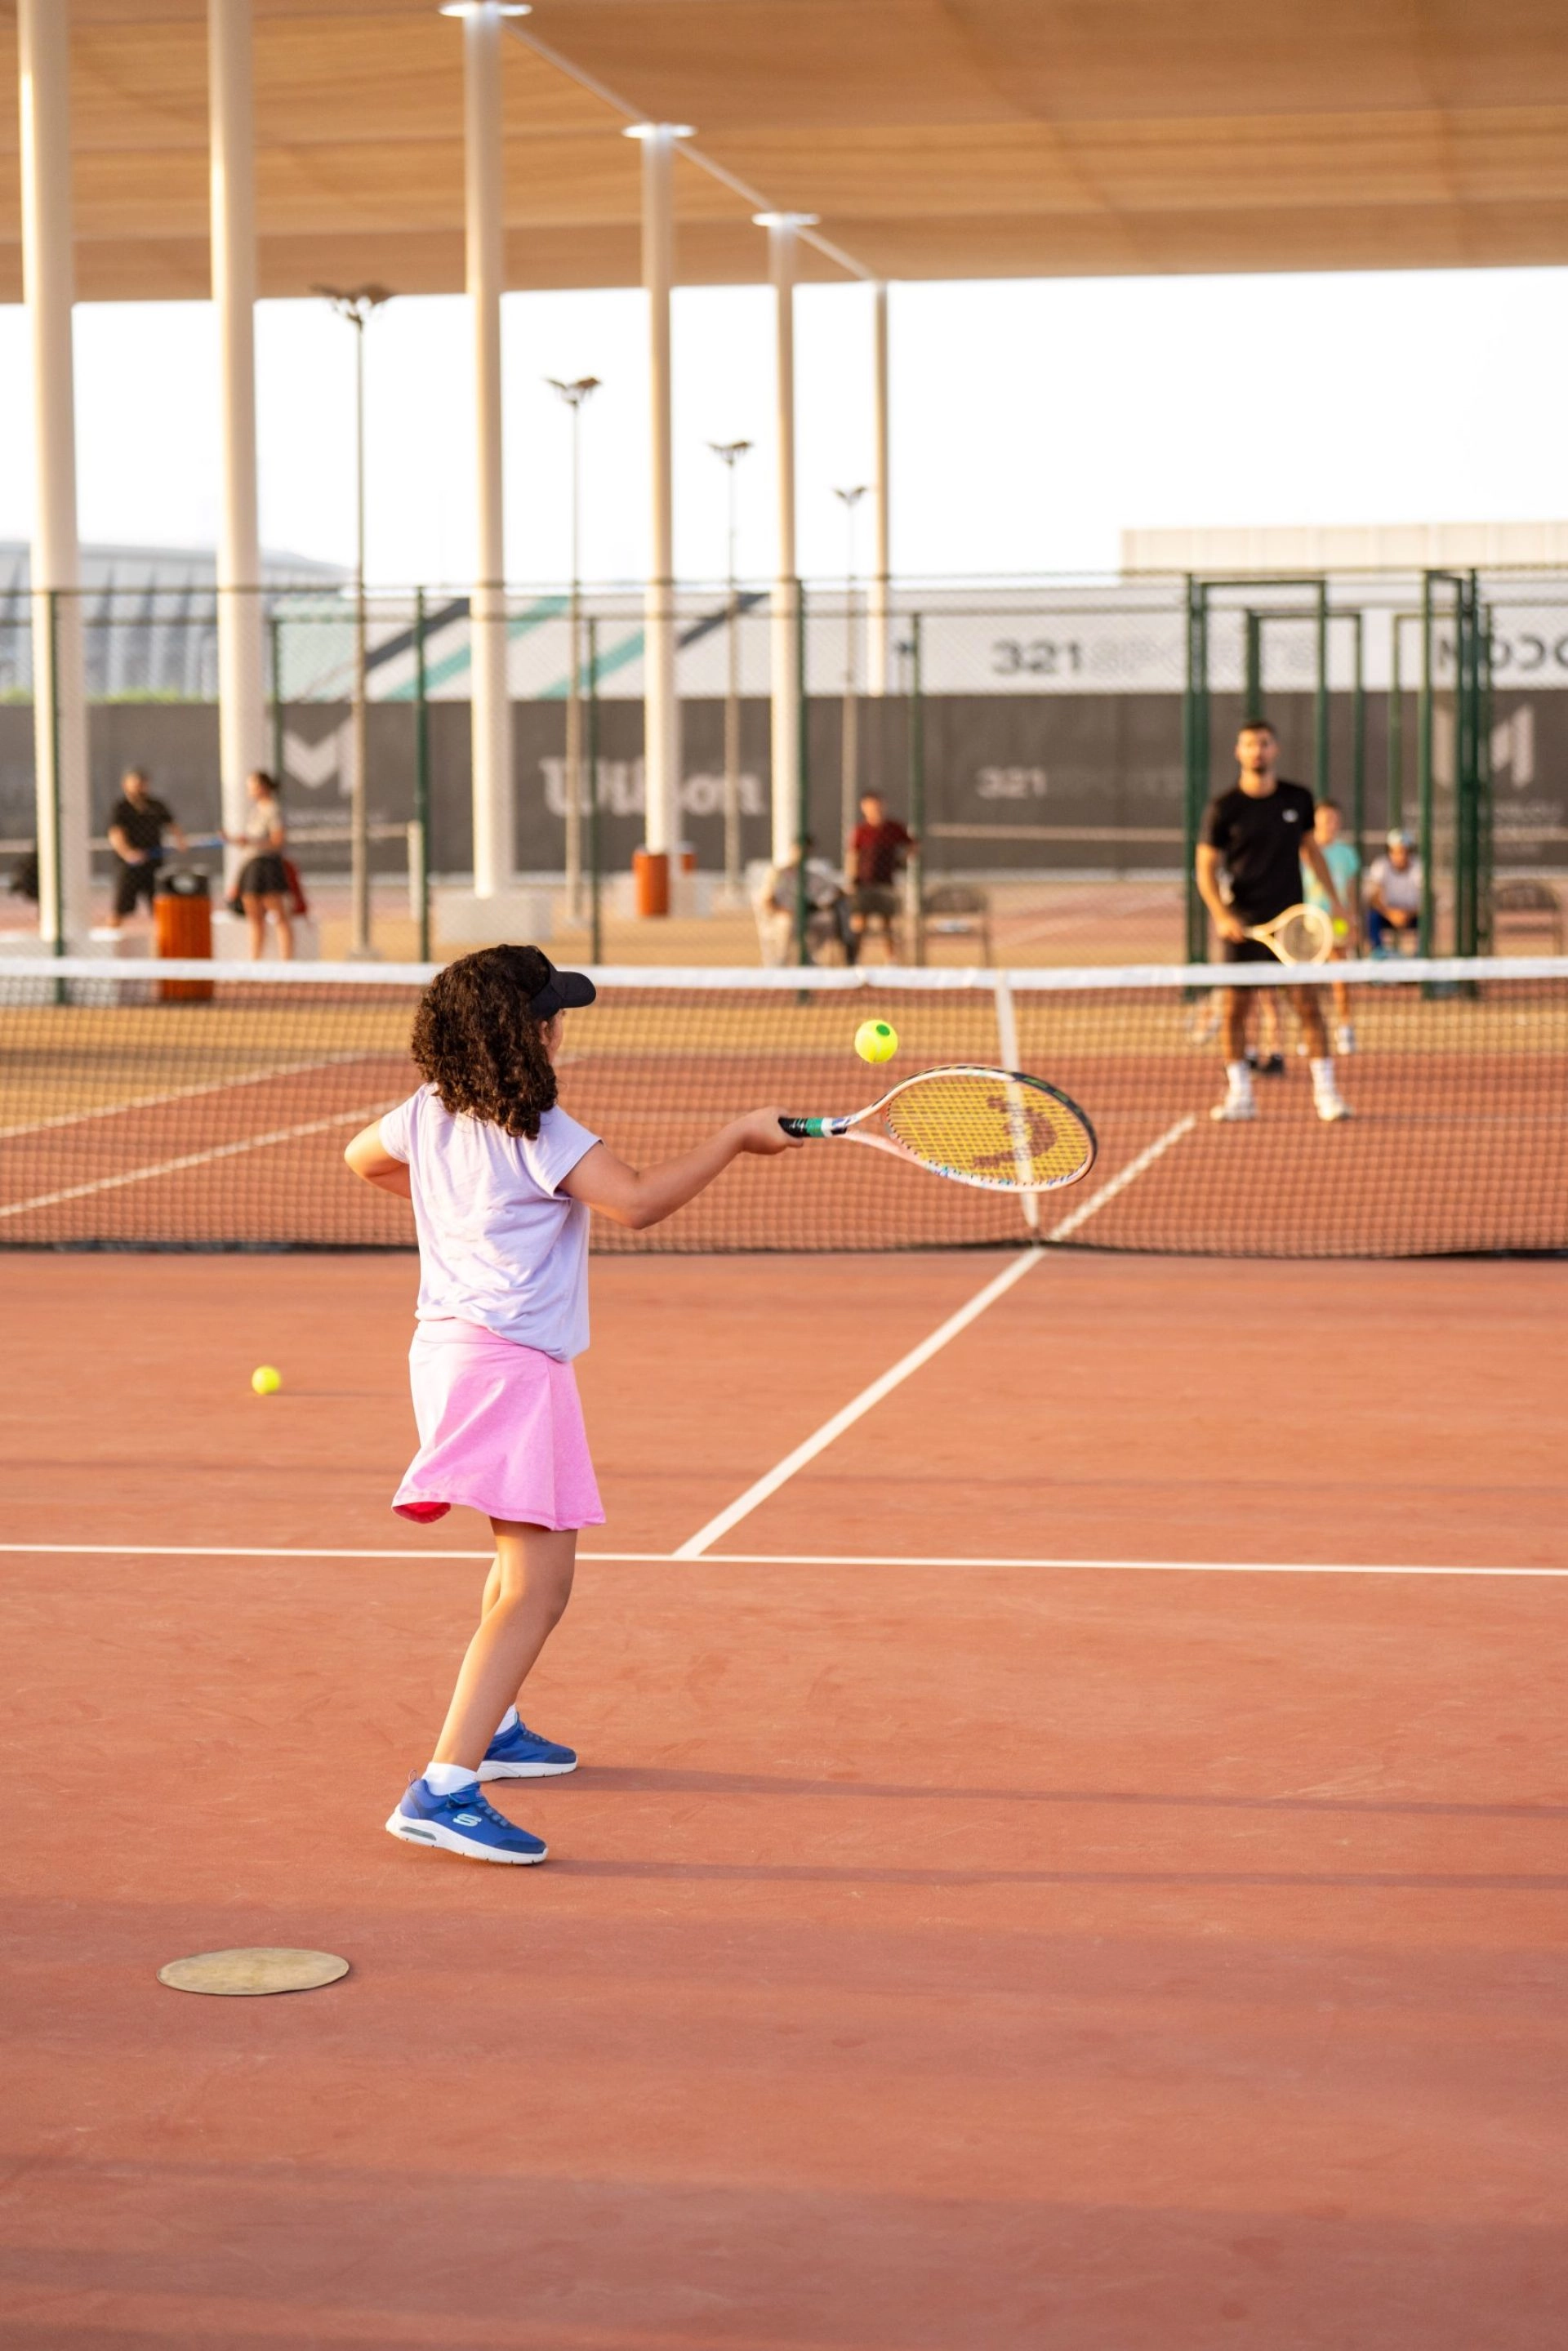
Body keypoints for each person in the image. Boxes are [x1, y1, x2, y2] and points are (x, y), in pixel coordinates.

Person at [344, 944, 801, 1865]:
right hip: (510, 1368)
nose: (562, 1028)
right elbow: (634, 1202)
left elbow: (361, 1159)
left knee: (515, 1566)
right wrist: (735, 1138)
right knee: (541, 1589)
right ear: (529, 1033)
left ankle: (497, 1723)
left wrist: (456, 1203)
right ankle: (443, 1785)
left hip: (447, 1354)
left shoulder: (430, 1109)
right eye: (553, 1014)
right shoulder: (539, 1126)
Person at [1195, 719, 1352, 1124]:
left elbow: (1311, 853)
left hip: (1292, 923)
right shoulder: (1224, 808)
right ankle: (1241, 1095)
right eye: (1249, 745)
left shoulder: (1298, 799)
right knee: (1234, 1012)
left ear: (1275, 750)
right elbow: (1205, 869)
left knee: (1307, 1007)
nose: (1257, 752)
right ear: (1238, 752)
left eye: (1263, 744)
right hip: (1243, 925)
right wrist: (1222, 914)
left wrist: (1336, 903)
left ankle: (1327, 1094)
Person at [1303, 798, 1361, 1053]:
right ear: (1315, 821)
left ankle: (1345, 1029)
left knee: (1341, 975)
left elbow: (1350, 891)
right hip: (1308, 921)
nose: (1331, 824)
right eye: (1326, 819)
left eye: (1336, 819)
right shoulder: (1302, 851)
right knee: (1307, 982)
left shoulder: (1346, 854)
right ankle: (1312, 1033)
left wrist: (1352, 921)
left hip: (1337, 922)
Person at [104, 766, 188, 931]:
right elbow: (116, 833)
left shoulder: (156, 805)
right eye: (135, 783)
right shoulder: (121, 808)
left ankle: (165, 944)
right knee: (121, 906)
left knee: (159, 905)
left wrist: (180, 841)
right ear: (126, 785)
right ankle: (111, 937)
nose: (139, 787)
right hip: (130, 865)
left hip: (154, 862)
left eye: (142, 783)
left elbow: (172, 825)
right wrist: (128, 853)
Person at [225, 770, 293, 961]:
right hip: (252, 866)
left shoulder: (273, 809)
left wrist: (252, 841)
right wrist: (235, 840)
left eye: (252, 785)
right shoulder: (255, 810)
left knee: (279, 915)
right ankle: (255, 962)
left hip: (268, 866)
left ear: (262, 787)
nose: (249, 790)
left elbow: (277, 841)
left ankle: (287, 964)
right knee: (253, 916)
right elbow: (249, 842)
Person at [760, 836, 857, 964]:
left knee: (827, 920)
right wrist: (785, 911)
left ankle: (810, 957)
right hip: (783, 915)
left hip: (808, 916)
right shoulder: (779, 874)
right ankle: (782, 960)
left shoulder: (810, 876)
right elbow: (767, 901)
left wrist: (838, 895)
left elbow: (834, 890)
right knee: (789, 922)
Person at [847, 791, 915, 960]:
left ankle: (891, 959)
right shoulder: (861, 831)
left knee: (887, 923)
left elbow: (913, 846)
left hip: (886, 882)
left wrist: (901, 860)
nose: (875, 809)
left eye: (878, 805)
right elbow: (853, 855)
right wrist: (852, 879)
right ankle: (854, 959)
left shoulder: (893, 828)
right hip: (864, 883)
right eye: (870, 805)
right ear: (864, 808)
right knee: (859, 922)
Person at [1365, 829, 1423, 955]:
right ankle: (1378, 952)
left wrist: (1408, 914)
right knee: (1373, 916)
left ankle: (1420, 953)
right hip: (1387, 913)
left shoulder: (1419, 867)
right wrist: (1391, 914)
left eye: (1404, 851)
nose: (1400, 856)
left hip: (1412, 914)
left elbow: (1427, 899)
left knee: (1426, 919)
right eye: (1395, 852)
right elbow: (1373, 897)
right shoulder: (1381, 865)